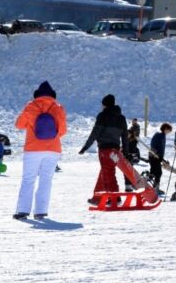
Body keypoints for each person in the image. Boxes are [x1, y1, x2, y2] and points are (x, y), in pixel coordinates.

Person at [13, 80, 67, 220]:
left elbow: (19, 125)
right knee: (46, 180)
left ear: (37, 95)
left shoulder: (31, 106)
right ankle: (41, 211)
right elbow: (63, 131)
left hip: (33, 148)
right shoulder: (58, 108)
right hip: (53, 149)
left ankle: (23, 211)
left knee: (28, 179)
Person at [78, 93, 127, 205]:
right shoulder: (121, 118)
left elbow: (95, 133)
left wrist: (86, 146)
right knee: (106, 171)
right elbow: (125, 135)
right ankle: (97, 198)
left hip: (105, 150)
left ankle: (115, 198)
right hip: (115, 150)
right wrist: (126, 151)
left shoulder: (103, 115)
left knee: (108, 173)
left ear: (105, 105)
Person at [147, 122, 172, 188]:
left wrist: (162, 158)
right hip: (154, 156)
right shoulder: (159, 135)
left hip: (157, 157)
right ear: (165, 128)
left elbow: (161, 148)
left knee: (154, 171)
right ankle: (154, 185)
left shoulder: (163, 136)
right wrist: (156, 154)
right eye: (169, 130)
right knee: (158, 172)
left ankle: (152, 183)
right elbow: (153, 145)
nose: (169, 132)